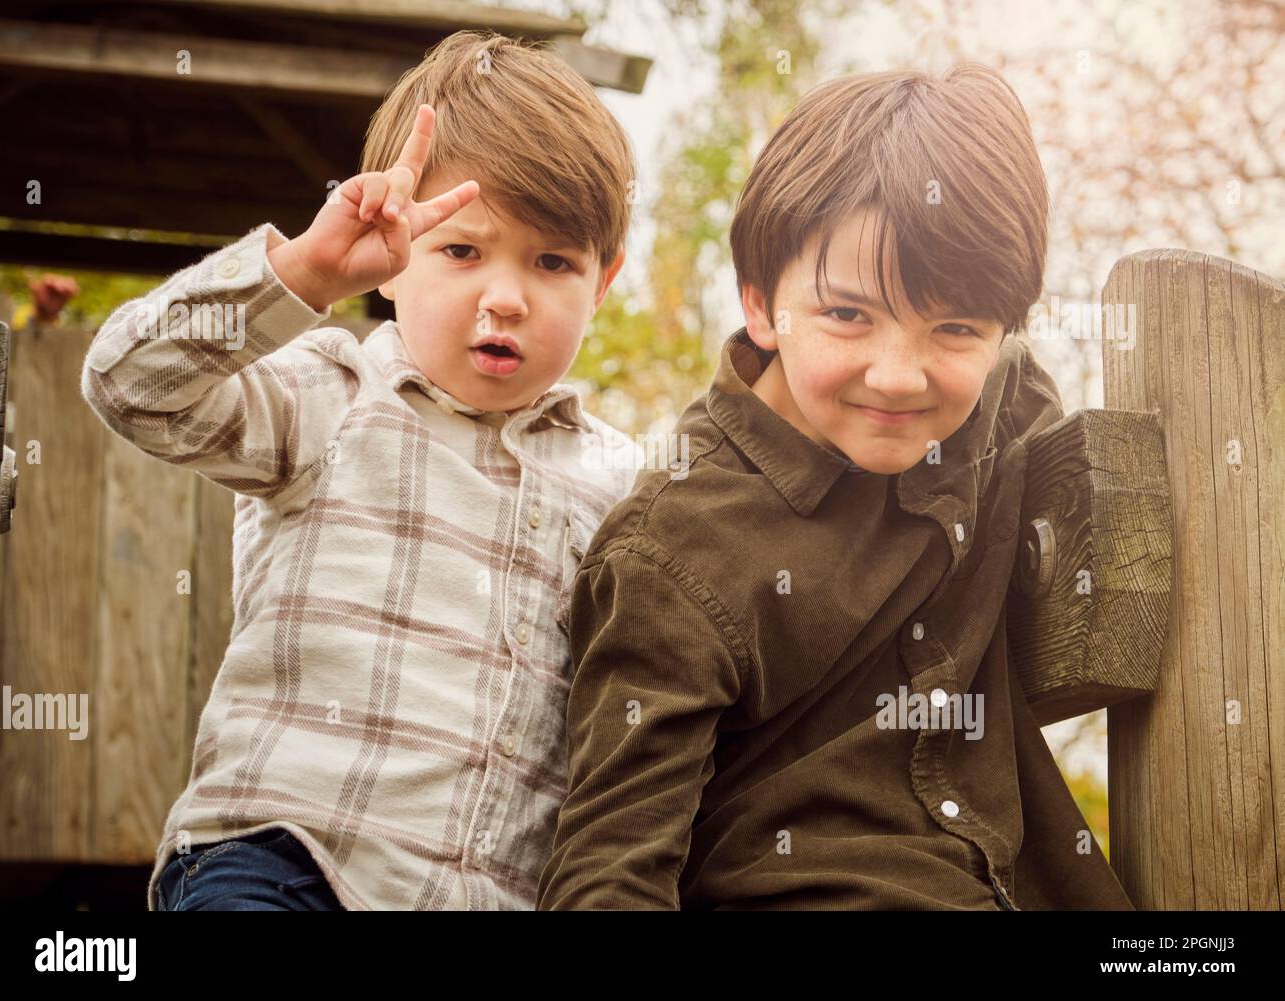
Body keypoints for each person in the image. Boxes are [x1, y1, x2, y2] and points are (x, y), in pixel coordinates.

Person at [537, 65, 1135, 910]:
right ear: (759, 303)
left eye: (954, 328)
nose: (897, 376)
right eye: (848, 315)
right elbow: (607, 875)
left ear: (1004, 328)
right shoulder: (672, 551)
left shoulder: (999, 412)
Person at [81, 30, 638, 910]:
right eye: (462, 250)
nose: (506, 295)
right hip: (284, 858)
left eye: (552, 261)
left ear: (601, 282)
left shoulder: (617, 480)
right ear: (395, 257)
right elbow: (131, 385)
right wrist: (301, 270)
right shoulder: (331, 396)